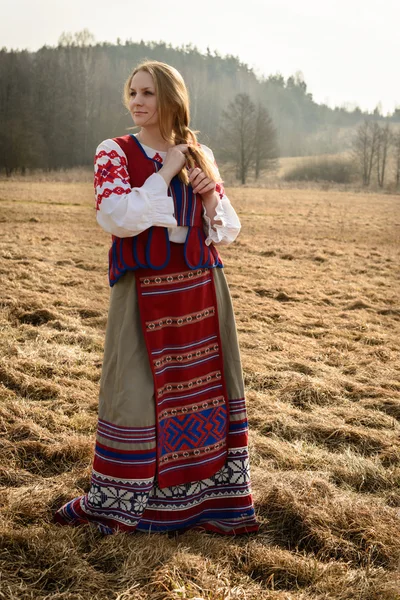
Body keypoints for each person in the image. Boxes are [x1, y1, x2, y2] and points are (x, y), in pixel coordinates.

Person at [54, 60, 259, 535]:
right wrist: (164, 172)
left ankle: (206, 499)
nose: (137, 102)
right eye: (133, 93)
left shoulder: (199, 152)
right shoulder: (115, 151)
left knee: (201, 387)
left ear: (171, 99)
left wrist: (210, 200)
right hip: (143, 287)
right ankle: (128, 500)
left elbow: (224, 230)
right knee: (137, 390)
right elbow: (117, 217)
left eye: (148, 93)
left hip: (200, 286)